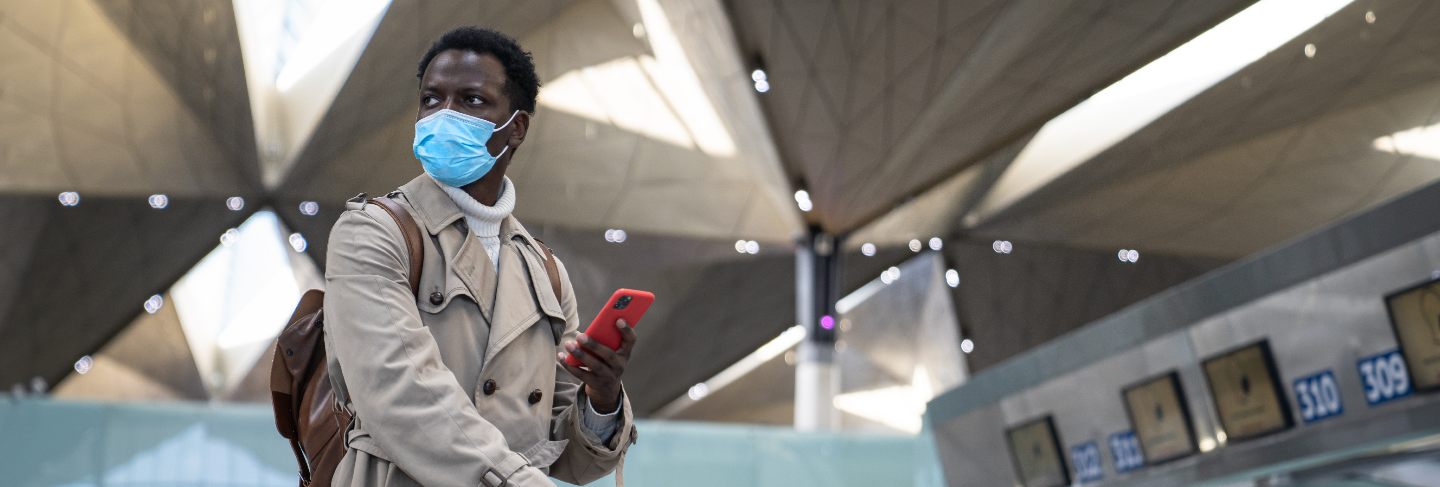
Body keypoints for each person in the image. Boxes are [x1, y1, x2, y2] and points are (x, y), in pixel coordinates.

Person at [322, 26, 638, 486]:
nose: (443, 114)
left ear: (517, 127)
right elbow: (402, 393)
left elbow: (568, 458)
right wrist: (515, 480)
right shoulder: (374, 232)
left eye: (471, 100)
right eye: (431, 99)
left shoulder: (544, 271)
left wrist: (602, 397)